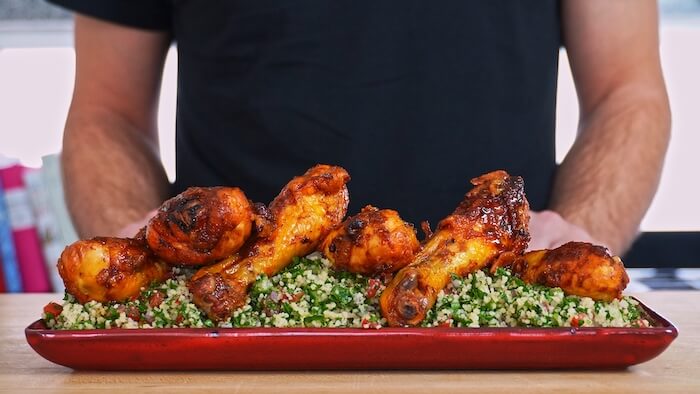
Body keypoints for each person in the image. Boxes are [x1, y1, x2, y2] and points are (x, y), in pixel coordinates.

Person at [50, 0, 670, 256]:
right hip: (225, 328)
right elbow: (109, 112)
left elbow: (627, 92)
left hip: (497, 318)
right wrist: (133, 252)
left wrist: (580, 239)